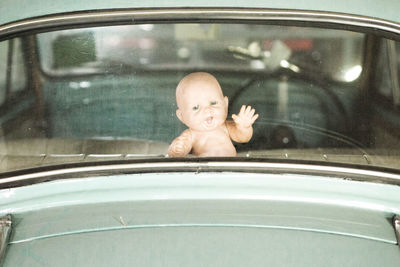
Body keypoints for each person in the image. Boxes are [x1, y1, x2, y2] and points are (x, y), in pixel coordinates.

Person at [168, 72, 258, 157]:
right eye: (196, 108)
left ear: (225, 104)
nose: (207, 110)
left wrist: (243, 127)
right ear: (182, 116)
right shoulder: (191, 135)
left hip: (231, 168)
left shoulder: (226, 127)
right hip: (206, 171)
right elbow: (180, 149)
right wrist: (177, 149)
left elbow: (242, 138)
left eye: (213, 103)